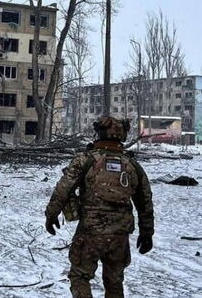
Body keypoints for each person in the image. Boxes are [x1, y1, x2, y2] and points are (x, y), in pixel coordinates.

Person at [44, 116, 154, 298]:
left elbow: (64, 189)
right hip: (120, 234)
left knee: (80, 276)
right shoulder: (132, 165)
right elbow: (145, 202)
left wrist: (52, 214)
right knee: (114, 281)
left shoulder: (85, 160)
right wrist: (147, 232)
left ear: (99, 134)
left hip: (90, 231)